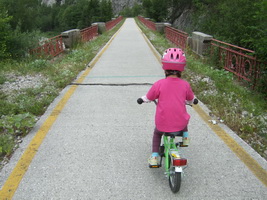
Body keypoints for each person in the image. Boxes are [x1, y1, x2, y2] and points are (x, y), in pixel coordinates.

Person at [137, 48, 195, 166]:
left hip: (162, 124)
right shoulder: (185, 85)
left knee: (157, 133)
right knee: (183, 116)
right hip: (180, 125)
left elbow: (148, 97)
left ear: (165, 67)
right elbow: (191, 99)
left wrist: (142, 100)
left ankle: (154, 156)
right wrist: (194, 100)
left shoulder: (159, 84)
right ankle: (185, 137)